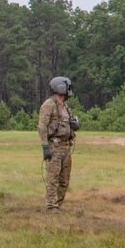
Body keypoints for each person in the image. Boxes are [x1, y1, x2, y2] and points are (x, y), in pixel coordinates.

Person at [38, 76, 79, 212]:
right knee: (53, 178)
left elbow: (71, 122)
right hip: (54, 146)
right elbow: (42, 126)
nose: (69, 90)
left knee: (64, 179)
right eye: (67, 87)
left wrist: (74, 125)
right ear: (61, 87)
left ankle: (59, 204)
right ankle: (52, 206)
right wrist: (45, 146)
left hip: (66, 146)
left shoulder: (65, 106)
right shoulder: (49, 104)